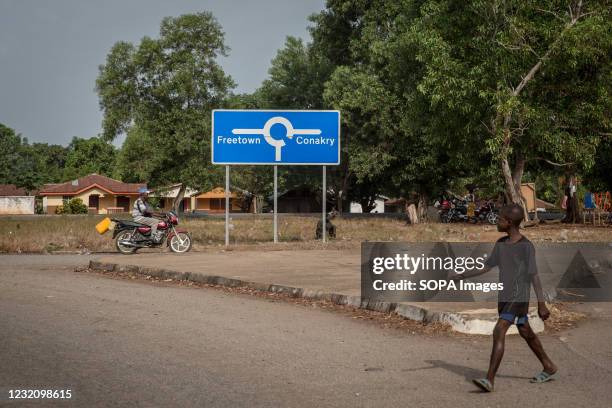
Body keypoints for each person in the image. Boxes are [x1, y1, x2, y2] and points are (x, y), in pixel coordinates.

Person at [453, 204, 557, 392]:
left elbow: (534, 275)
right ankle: (548, 365)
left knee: (499, 330)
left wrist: (542, 304)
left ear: (509, 223)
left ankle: (489, 380)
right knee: (526, 332)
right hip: (505, 296)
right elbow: (487, 266)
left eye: (500, 219)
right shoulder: (501, 244)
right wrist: (462, 275)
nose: (497, 221)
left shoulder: (526, 247)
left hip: (518, 297)